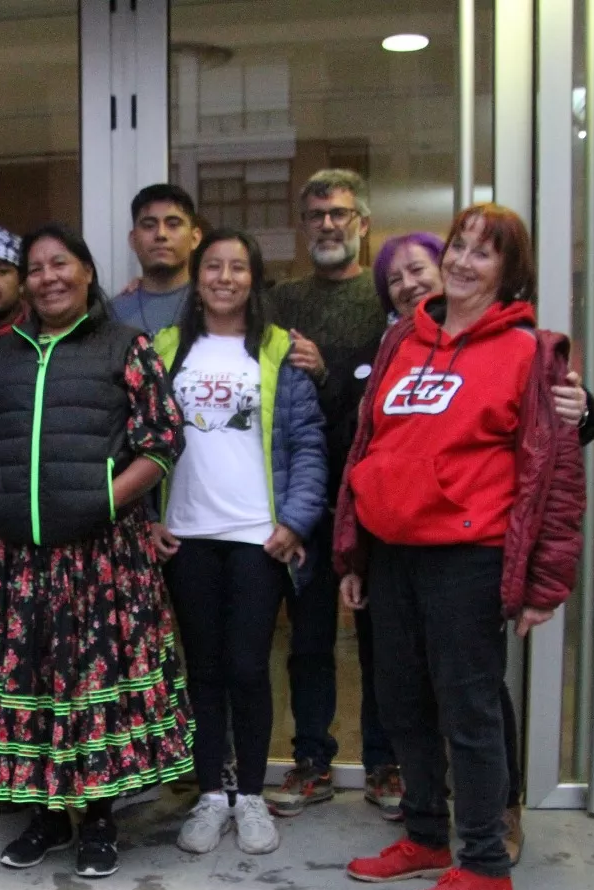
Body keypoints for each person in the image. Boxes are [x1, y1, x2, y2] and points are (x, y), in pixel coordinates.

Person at [335, 203, 585, 890]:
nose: (464, 261)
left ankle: (483, 866)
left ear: (509, 270)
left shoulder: (532, 353)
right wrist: (353, 551)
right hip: (392, 555)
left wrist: (547, 583)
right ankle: (424, 837)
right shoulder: (403, 344)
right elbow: (367, 449)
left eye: (485, 252)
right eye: (459, 246)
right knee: (403, 704)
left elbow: (558, 476)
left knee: (469, 712)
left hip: (468, 559)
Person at [0, 223, 193, 879]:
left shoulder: (124, 346)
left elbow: (162, 440)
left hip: (100, 558)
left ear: (86, 272)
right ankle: (44, 818)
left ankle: (100, 820)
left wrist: (107, 500)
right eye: (37, 267)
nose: (49, 277)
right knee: (30, 683)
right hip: (14, 560)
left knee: (91, 686)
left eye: (62, 264)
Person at [147, 230, 327, 856]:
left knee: (250, 668)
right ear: (196, 279)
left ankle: (249, 793)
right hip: (188, 537)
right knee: (204, 672)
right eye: (213, 267)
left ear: (255, 279)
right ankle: (208, 794)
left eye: (238, 267)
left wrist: (297, 521)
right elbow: (137, 438)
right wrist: (149, 517)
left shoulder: (281, 350)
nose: (225, 277)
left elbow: (308, 443)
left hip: (260, 539)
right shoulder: (166, 350)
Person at [263, 169, 394, 820]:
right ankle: (311, 761)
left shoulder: (388, 295)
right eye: (316, 215)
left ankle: (385, 764)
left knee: (380, 639)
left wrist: (328, 371)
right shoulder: (281, 301)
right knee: (310, 639)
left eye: (341, 214)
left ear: (363, 224)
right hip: (308, 500)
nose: (328, 225)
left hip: (380, 498)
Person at [110, 184, 202, 335]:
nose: (161, 234)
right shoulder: (111, 314)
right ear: (133, 240)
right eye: (149, 225)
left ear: (195, 238)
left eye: (173, 225)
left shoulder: (212, 303)